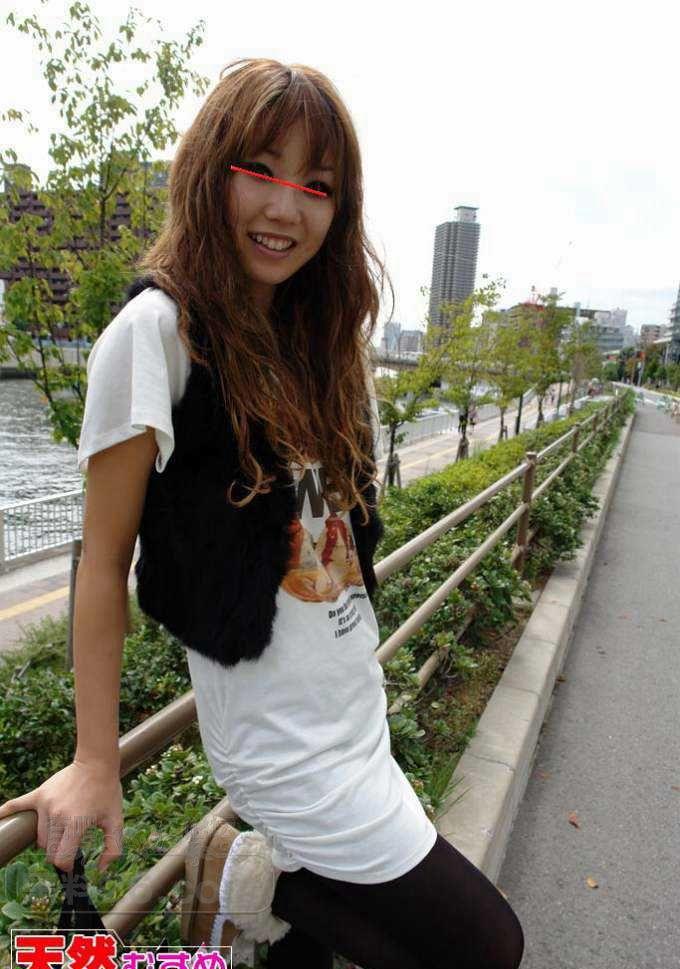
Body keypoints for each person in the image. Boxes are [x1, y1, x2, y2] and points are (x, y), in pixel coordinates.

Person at [0, 59, 524, 969]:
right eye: (261, 170)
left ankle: (272, 899)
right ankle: (257, 880)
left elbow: (322, 536)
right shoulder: (155, 336)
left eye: (316, 185)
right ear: (212, 171)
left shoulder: (313, 341)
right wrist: (95, 758)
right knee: (486, 947)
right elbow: (103, 561)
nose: (286, 208)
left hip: (350, 710)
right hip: (283, 749)